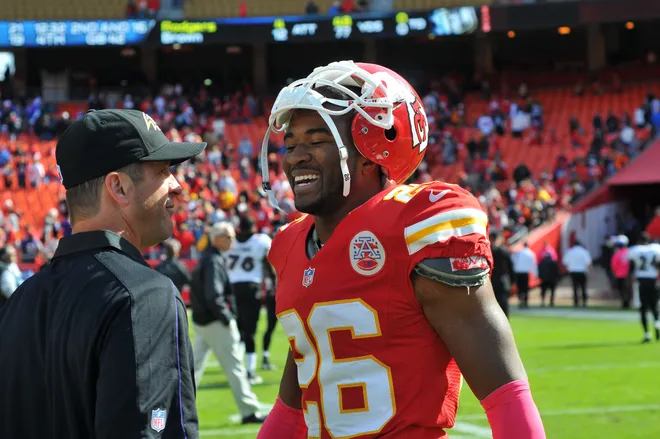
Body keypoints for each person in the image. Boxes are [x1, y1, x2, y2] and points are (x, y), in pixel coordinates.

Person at [257, 61, 545, 438]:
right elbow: (292, 407)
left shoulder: (418, 225)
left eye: (316, 140)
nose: (295, 156)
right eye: (291, 143)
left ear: (370, 148)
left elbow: (505, 392)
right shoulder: (290, 244)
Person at [0, 108, 206, 438]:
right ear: (119, 188)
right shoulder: (143, 294)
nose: (177, 185)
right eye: (163, 171)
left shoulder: (20, 301)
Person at [190, 222, 267, 424]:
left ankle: (180, 406)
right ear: (219, 238)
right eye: (230, 237)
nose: (233, 241)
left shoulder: (209, 258)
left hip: (203, 321)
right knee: (235, 367)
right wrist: (226, 317)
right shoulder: (213, 261)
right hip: (215, 323)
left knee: (193, 368)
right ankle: (249, 410)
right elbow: (213, 295)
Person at [226, 215, 274, 383]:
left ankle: (237, 369)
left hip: (232, 289)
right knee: (250, 332)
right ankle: (250, 371)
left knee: (237, 331)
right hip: (251, 288)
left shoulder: (230, 241)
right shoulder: (260, 241)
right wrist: (275, 285)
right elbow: (270, 264)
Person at [626, 232, 660, 343]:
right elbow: (657, 264)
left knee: (643, 308)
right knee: (655, 307)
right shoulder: (655, 249)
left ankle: (647, 334)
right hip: (653, 280)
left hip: (641, 281)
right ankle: (657, 325)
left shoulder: (635, 250)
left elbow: (631, 267)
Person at [490, 231, 514, 317]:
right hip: (503, 280)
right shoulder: (504, 251)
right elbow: (511, 267)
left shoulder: (488, 251)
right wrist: (512, 281)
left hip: (491, 280)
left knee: (491, 304)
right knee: (504, 303)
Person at [562, 240, 592, 307]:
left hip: (573, 271)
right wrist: (590, 272)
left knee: (575, 288)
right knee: (583, 287)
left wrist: (569, 268)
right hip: (582, 271)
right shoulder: (584, 251)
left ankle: (576, 302)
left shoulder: (570, 251)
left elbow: (565, 262)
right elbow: (588, 263)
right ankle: (584, 301)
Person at [512, 242, 538, 308]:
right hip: (525, 273)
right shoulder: (531, 253)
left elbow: (513, 261)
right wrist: (535, 274)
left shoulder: (519, 253)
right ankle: (525, 302)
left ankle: (520, 301)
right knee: (525, 288)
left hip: (518, 272)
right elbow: (534, 265)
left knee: (520, 288)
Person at [610, 235, 631, 308]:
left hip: (620, 275)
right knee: (628, 290)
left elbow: (613, 266)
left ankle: (624, 303)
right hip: (628, 275)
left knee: (622, 290)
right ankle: (628, 302)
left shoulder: (617, 254)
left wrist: (614, 275)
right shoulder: (630, 252)